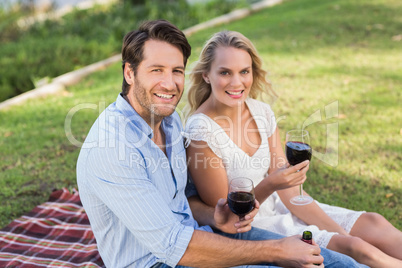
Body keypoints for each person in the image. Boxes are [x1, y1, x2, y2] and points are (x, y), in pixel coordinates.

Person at [76, 20, 368, 268]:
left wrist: (215, 216)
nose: (169, 83)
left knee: (330, 261)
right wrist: (277, 251)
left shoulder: (169, 121)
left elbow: (184, 202)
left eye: (176, 71)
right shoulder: (113, 147)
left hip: (200, 235)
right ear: (129, 73)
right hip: (160, 261)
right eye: (156, 70)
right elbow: (173, 246)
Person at [183, 30, 402, 268]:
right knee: (357, 249)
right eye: (225, 72)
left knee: (373, 223)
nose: (237, 83)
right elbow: (231, 217)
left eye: (244, 71)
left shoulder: (260, 111)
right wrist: (272, 184)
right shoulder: (200, 132)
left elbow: (290, 193)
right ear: (206, 75)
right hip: (254, 226)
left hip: (281, 204)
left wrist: (340, 231)